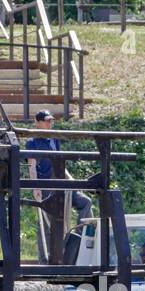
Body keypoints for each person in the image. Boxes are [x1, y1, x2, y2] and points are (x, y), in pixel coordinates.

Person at [27, 110, 92, 262]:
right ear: (37, 122)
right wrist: (35, 187)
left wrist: (72, 180)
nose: (50, 123)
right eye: (46, 121)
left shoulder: (54, 139)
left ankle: (77, 240)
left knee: (85, 202)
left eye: (51, 121)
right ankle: (44, 259)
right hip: (45, 183)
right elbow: (32, 165)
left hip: (61, 181)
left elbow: (61, 163)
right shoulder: (32, 142)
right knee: (45, 221)